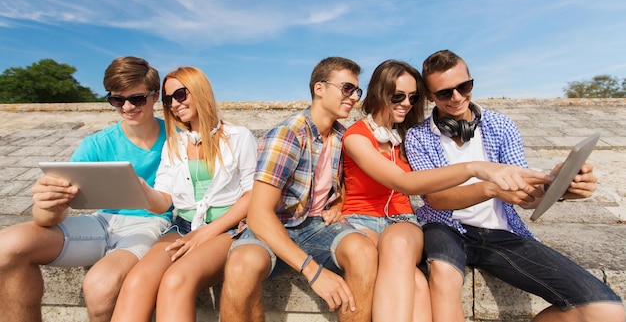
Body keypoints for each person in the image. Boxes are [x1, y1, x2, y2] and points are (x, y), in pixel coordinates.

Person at [405, 49, 625, 322]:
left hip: (500, 232)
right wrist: (491, 187)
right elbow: (437, 199)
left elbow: (525, 195)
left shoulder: (501, 125)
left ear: (471, 81)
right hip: (444, 227)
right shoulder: (417, 137)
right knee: (444, 273)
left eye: (464, 87)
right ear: (429, 96)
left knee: (607, 309)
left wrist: (557, 187)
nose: (457, 97)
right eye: (444, 93)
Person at [341, 59, 552, 322]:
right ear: (378, 94)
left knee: (397, 244)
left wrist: (551, 181)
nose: (406, 103)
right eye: (397, 96)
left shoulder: (408, 136)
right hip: (363, 221)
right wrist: (474, 168)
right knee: (417, 285)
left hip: (401, 221)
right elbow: (404, 183)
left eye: (413, 97)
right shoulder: (356, 137)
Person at [0, 56, 172, 322]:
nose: (127, 107)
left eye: (137, 98)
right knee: (7, 246)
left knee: (101, 285)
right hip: (102, 222)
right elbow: (48, 218)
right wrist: (47, 204)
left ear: (154, 95)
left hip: (152, 224)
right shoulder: (96, 144)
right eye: (117, 100)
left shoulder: (179, 139)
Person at [219, 56, 378, 322]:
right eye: (347, 89)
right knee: (241, 265)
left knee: (363, 251)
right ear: (319, 88)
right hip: (275, 226)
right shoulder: (288, 135)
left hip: (316, 226)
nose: (354, 97)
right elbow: (259, 214)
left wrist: (338, 204)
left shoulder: (341, 135)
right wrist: (312, 270)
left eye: (357, 91)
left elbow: (341, 182)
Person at [111, 66, 257, 321]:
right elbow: (163, 201)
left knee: (175, 280)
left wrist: (206, 233)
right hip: (182, 227)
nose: (174, 104)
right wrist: (141, 190)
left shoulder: (238, 136)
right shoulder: (174, 145)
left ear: (199, 90)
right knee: (137, 281)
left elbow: (251, 194)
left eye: (180, 95)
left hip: (226, 229)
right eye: (168, 100)